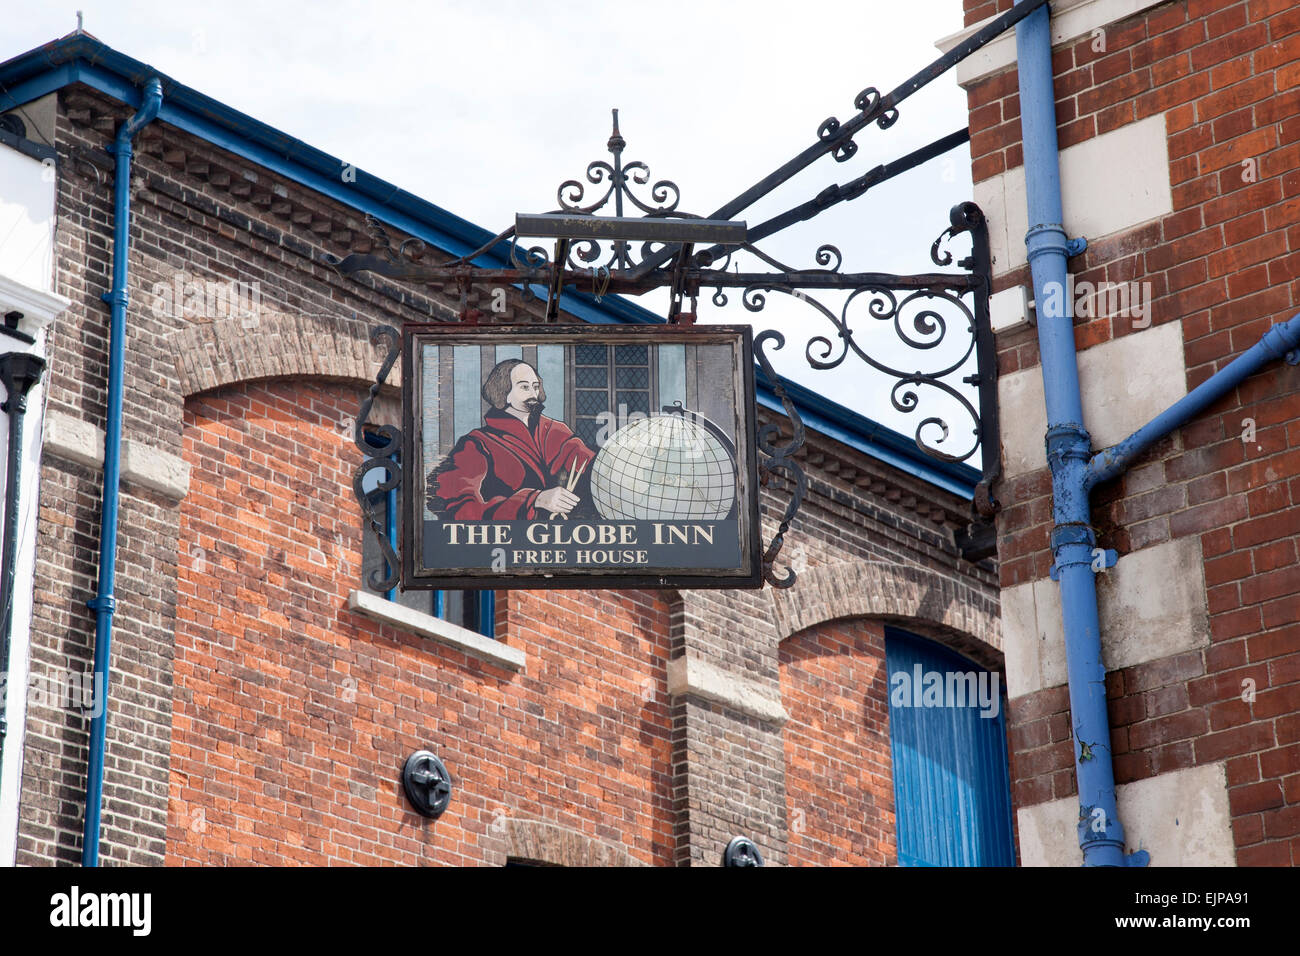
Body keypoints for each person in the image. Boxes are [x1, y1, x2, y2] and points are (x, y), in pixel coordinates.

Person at [427, 359, 596, 520]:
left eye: (535, 387)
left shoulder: (555, 431)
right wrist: (534, 500)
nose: (533, 394)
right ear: (503, 393)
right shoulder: (477, 444)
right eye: (524, 387)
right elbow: (458, 509)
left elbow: (591, 466)